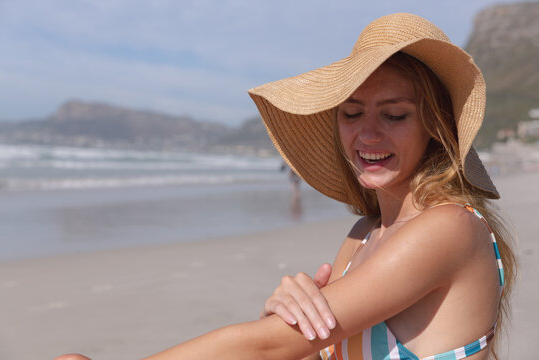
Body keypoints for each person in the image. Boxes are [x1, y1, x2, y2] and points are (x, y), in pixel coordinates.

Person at [56, 12, 516, 360]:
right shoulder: (363, 236)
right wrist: (280, 317)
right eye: (351, 113)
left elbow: (268, 348)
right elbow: (294, 349)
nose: (368, 134)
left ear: (434, 126)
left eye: (394, 115)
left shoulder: (449, 228)